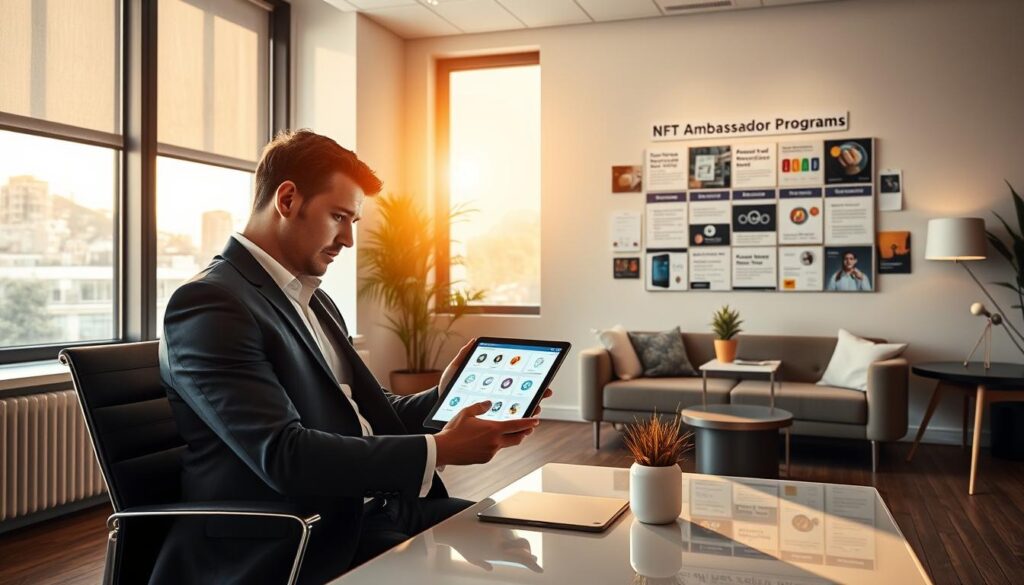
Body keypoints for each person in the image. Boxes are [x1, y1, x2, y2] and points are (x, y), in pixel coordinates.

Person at [156, 129, 550, 584]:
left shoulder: (311, 298)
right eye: (338, 216)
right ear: (287, 200)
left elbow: (363, 412)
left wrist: (445, 396)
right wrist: (441, 448)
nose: (347, 239)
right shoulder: (210, 303)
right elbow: (285, 456)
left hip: (375, 512)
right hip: (298, 538)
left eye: (353, 222)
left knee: (529, 543)